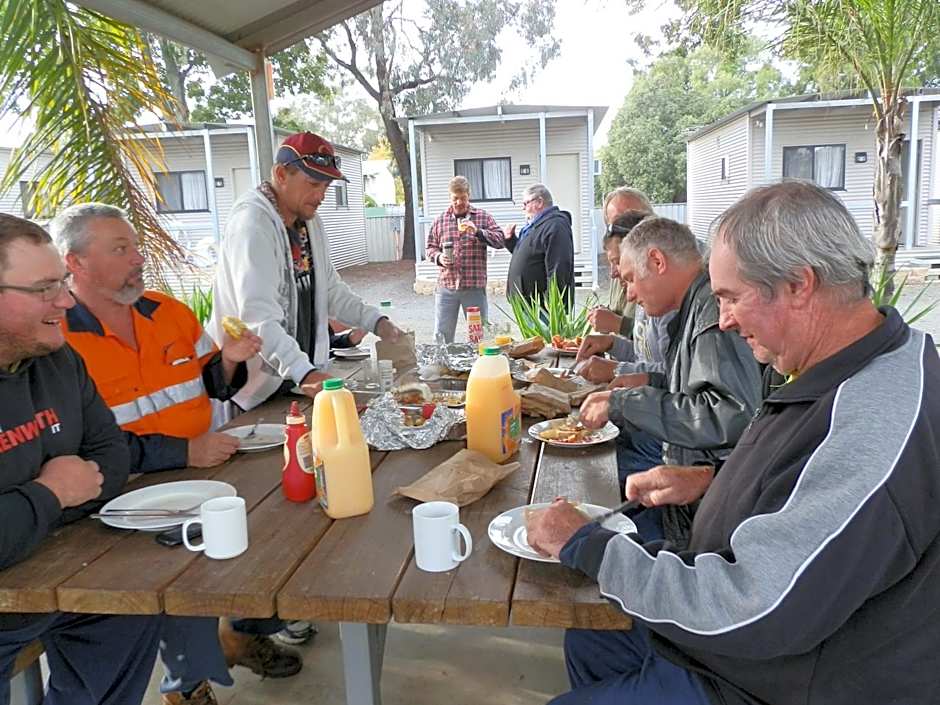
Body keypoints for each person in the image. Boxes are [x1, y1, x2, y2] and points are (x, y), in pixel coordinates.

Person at [527, 180, 940, 705]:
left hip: (766, 674)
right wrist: (709, 482)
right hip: (742, 632)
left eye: (730, 297)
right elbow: (811, 495)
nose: (722, 320)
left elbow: (757, 605)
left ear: (798, 285)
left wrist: (589, 544)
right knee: (592, 638)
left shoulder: (876, 415)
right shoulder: (848, 364)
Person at [50, 204, 303, 705]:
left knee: (279, 522)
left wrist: (230, 361)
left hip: (200, 469)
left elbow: (212, 383)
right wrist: (183, 451)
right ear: (74, 263)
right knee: (180, 576)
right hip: (117, 495)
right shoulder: (58, 339)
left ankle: (244, 633)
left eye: (135, 246)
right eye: (121, 249)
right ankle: (188, 688)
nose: (138, 258)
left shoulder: (168, 311)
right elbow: (78, 448)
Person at [0, 213, 162, 705]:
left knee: (133, 604)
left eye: (63, 284)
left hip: (57, 570)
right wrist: (50, 493)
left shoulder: (58, 358)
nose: (66, 302)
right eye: (45, 288)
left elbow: (110, 457)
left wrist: (33, 508)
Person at [577, 216, 761, 543]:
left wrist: (624, 402)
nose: (630, 295)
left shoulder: (709, 312)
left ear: (657, 261)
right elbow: (691, 389)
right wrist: (647, 380)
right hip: (692, 496)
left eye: (632, 279)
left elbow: (729, 414)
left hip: (714, 509)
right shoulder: (692, 308)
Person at [208, 131, 405, 410]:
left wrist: (376, 321)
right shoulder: (252, 225)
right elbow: (259, 319)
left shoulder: (309, 222)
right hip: (253, 392)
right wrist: (308, 375)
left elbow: (331, 290)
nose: (321, 195)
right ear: (281, 174)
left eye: (326, 186)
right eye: (313, 183)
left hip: (296, 382)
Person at [425, 175, 505, 342]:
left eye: (463, 198)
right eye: (455, 198)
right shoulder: (440, 221)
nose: (459, 202)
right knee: (442, 336)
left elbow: (500, 240)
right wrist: (439, 258)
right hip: (446, 287)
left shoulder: (483, 217)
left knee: (478, 337)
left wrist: (478, 232)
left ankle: (479, 367)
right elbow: (430, 248)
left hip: (474, 287)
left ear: (469, 195)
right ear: (450, 197)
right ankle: (443, 367)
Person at [589, 186, 654, 334]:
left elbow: (658, 344)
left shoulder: (658, 269)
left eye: (635, 221)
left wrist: (620, 325)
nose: (627, 230)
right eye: (618, 223)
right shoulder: (617, 266)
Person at [504, 183, 575, 306]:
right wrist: (510, 240)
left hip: (541, 306)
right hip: (526, 302)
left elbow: (558, 266)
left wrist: (552, 302)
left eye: (526, 203)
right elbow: (531, 256)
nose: (523, 208)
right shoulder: (536, 226)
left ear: (540, 202)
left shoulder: (555, 225)